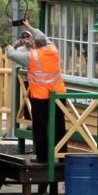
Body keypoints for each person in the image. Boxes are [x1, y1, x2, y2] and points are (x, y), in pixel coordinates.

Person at [6, 19, 66, 160]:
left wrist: (12, 46)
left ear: (35, 45)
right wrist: (29, 27)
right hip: (59, 95)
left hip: (40, 97)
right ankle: (62, 154)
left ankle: (42, 157)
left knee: (40, 128)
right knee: (59, 126)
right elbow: (43, 36)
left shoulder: (31, 56)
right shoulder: (53, 50)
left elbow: (11, 54)